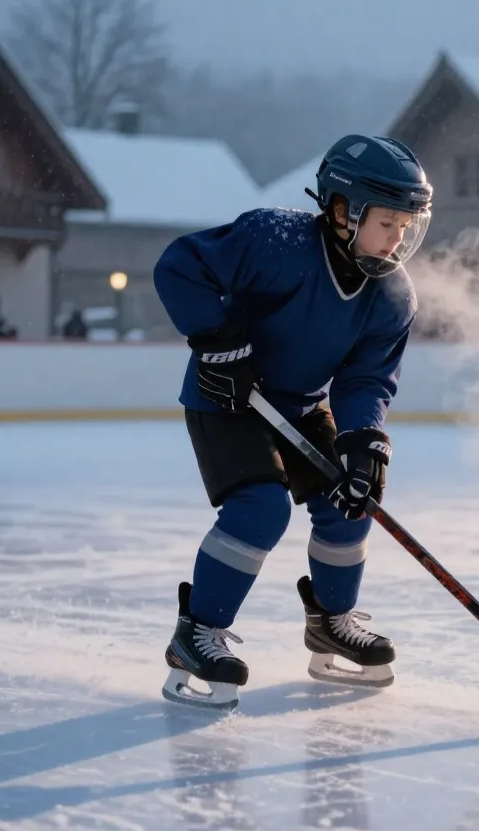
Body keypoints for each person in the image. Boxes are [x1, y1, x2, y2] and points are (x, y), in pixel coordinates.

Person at [152, 134, 433, 709]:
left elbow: (365, 380)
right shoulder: (272, 239)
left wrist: (364, 440)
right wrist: (216, 341)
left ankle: (331, 621)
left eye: (406, 226)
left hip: (303, 407)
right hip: (227, 399)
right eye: (387, 223)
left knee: (352, 500)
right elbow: (180, 266)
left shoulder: (392, 295)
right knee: (261, 507)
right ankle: (196, 635)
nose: (398, 239)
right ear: (340, 210)